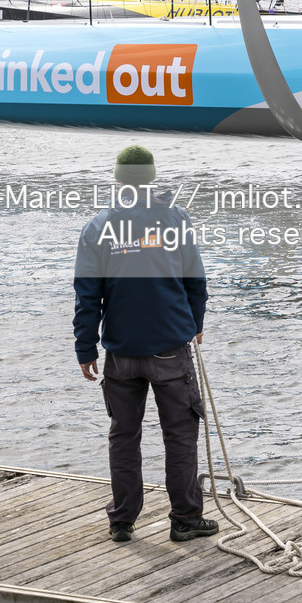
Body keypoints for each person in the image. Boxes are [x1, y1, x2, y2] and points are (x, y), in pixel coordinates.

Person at [74, 145, 218, 544]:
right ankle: (185, 519)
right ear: (151, 179)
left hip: (120, 353)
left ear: (118, 180)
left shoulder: (97, 226)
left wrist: (85, 349)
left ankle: (122, 520)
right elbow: (196, 282)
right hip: (170, 348)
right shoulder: (175, 219)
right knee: (180, 435)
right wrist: (196, 323)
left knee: (124, 435)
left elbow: (87, 295)